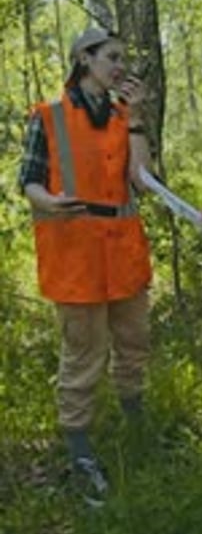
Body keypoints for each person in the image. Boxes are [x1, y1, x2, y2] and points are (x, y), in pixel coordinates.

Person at [19, 27, 153, 506]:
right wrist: (49, 202)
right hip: (74, 254)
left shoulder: (122, 118)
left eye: (123, 57)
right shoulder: (49, 118)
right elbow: (28, 180)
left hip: (124, 251)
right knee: (83, 354)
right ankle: (79, 448)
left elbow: (143, 180)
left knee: (134, 342)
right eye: (111, 57)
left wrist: (136, 118)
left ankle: (136, 422)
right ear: (84, 60)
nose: (119, 66)